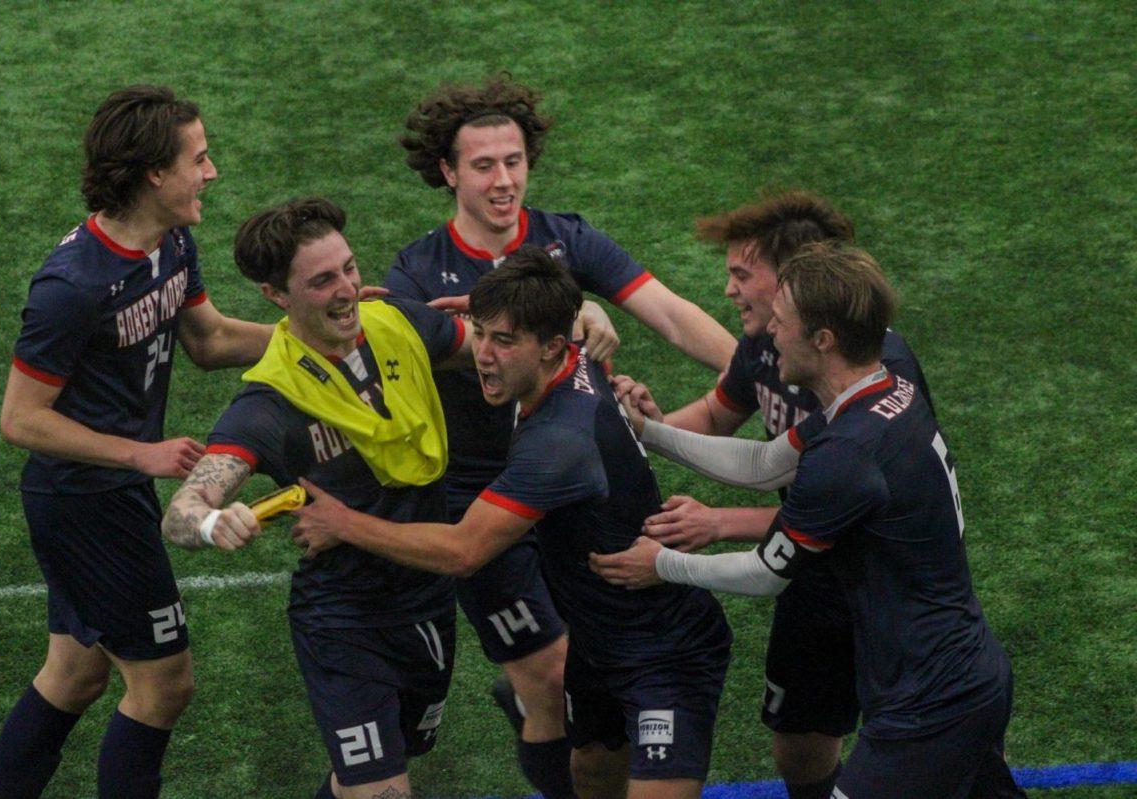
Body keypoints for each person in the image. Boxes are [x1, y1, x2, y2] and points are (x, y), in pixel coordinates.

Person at [383, 73, 737, 798]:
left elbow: (666, 312)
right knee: (549, 675)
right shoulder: (418, 271)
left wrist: (751, 368)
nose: (503, 180)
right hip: (482, 493)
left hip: (571, 494)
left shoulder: (564, 239)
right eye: (483, 165)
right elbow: (409, 365)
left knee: (592, 657)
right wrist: (561, 322)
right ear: (448, 171)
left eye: (513, 161)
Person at [591, 242, 1027, 799]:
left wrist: (665, 563)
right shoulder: (881, 387)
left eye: (783, 321)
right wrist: (648, 432)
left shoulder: (849, 453)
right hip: (964, 675)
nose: (770, 332)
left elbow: (765, 574)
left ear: (823, 340)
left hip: (929, 704)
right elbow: (762, 462)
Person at [293, 247, 732, 799]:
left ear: (550, 348)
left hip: (664, 650)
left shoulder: (557, 444)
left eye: (503, 341)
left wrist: (342, 522)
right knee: (590, 775)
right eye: (479, 333)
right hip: (597, 643)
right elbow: (572, 315)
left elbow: (464, 551)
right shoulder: (574, 359)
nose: (481, 355)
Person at [0, 85, 271, 799]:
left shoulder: (171, 242)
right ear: (153, 173)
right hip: (84, 502)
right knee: (164, 684)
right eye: (198, 159)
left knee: (74, 673)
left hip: (111, 495)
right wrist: (138, 453)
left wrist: (319, 332)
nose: (212, 171)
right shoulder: (72, 285)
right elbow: (20, 419)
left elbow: (209, 340)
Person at [611, 190, 932, 799]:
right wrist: (645, 430)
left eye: (741, 274)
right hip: (810, 558)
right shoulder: (774, 344)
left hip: (875, 584)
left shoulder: (865, 387)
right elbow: (741, 436)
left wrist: (702, 536)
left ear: (795, 288)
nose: (728, 290)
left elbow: (821, 521)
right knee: (801, 741)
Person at [162, 197, 474, 799]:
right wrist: (209, 524)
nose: (347, 290)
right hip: (344, 618)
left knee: (378, 770)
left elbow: (493, 351)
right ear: (276, 295)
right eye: (323, 279)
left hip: (430, 598)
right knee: (381, 791)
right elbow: (183, 509)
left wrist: (573, 320)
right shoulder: (270, 402)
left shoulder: (398, 323)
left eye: (350, 269)